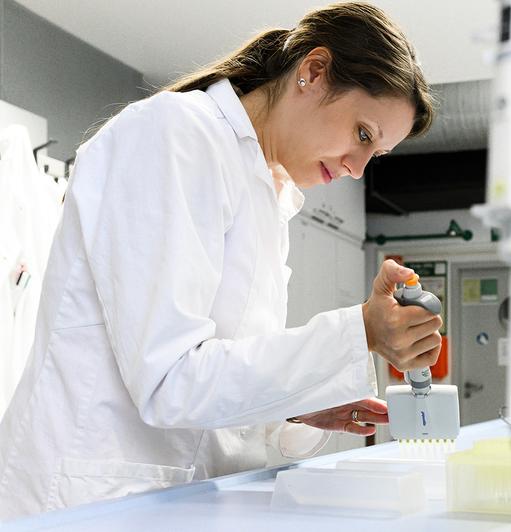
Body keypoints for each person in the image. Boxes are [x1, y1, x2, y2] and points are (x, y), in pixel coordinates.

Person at [0, 2, 442, 519]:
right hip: (86, 498)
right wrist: (359, 331)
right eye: (362, 134)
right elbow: (169, 381)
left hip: (174, 497)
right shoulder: (173, 135)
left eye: (375, 155)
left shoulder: (268, 192)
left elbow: (220, 370)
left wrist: (294, 407)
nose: (355, 168)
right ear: (313, 71)